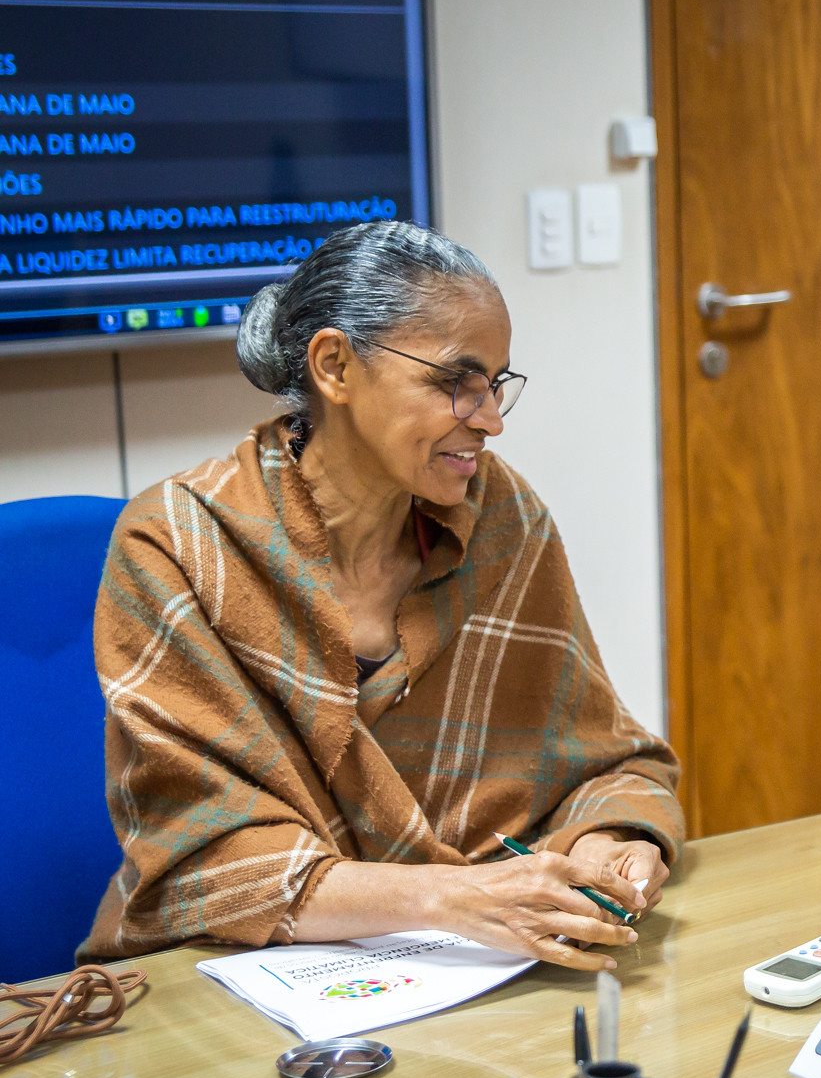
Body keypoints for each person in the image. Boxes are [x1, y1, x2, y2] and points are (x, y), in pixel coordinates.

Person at [82, 221, 683, 971]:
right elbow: (201, 865)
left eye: (494, 384)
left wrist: (607, 845)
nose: (490, 420)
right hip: (230, 977)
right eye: (453, 382)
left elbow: (606, 764)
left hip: (475, 969)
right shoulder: (177, 545)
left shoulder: (499, 516)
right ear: (335, 365)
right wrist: (453, 898)